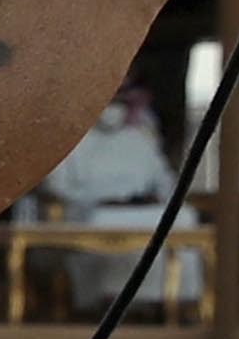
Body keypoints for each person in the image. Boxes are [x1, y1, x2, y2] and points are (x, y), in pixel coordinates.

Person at [32, 87, 187, 316]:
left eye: (120, 101)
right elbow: (56, 187)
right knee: (105, 220)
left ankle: (172, 301)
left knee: (184, 218)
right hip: (87, 211)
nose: (113, 109)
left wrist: (149, 199)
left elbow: (164, 182)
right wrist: (103, 200)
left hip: (142, 209)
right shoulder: (71, 138)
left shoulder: (139, 138)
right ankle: (107, 301)